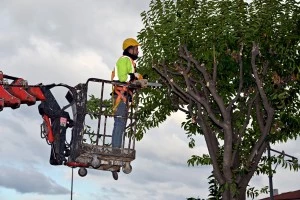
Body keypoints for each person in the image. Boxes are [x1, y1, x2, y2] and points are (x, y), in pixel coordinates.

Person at [111, 38, 140, 151]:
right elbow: (123, 77)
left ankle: (116, 148)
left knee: (121, 123)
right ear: (130, 49)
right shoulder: (124, 60)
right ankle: (116, 149)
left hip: (124, 96)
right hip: (121, 94)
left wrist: (137, 79)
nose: (138, 51)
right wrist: (134, 77)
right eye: (136, 49)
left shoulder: (130, 61)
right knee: (119, 122)